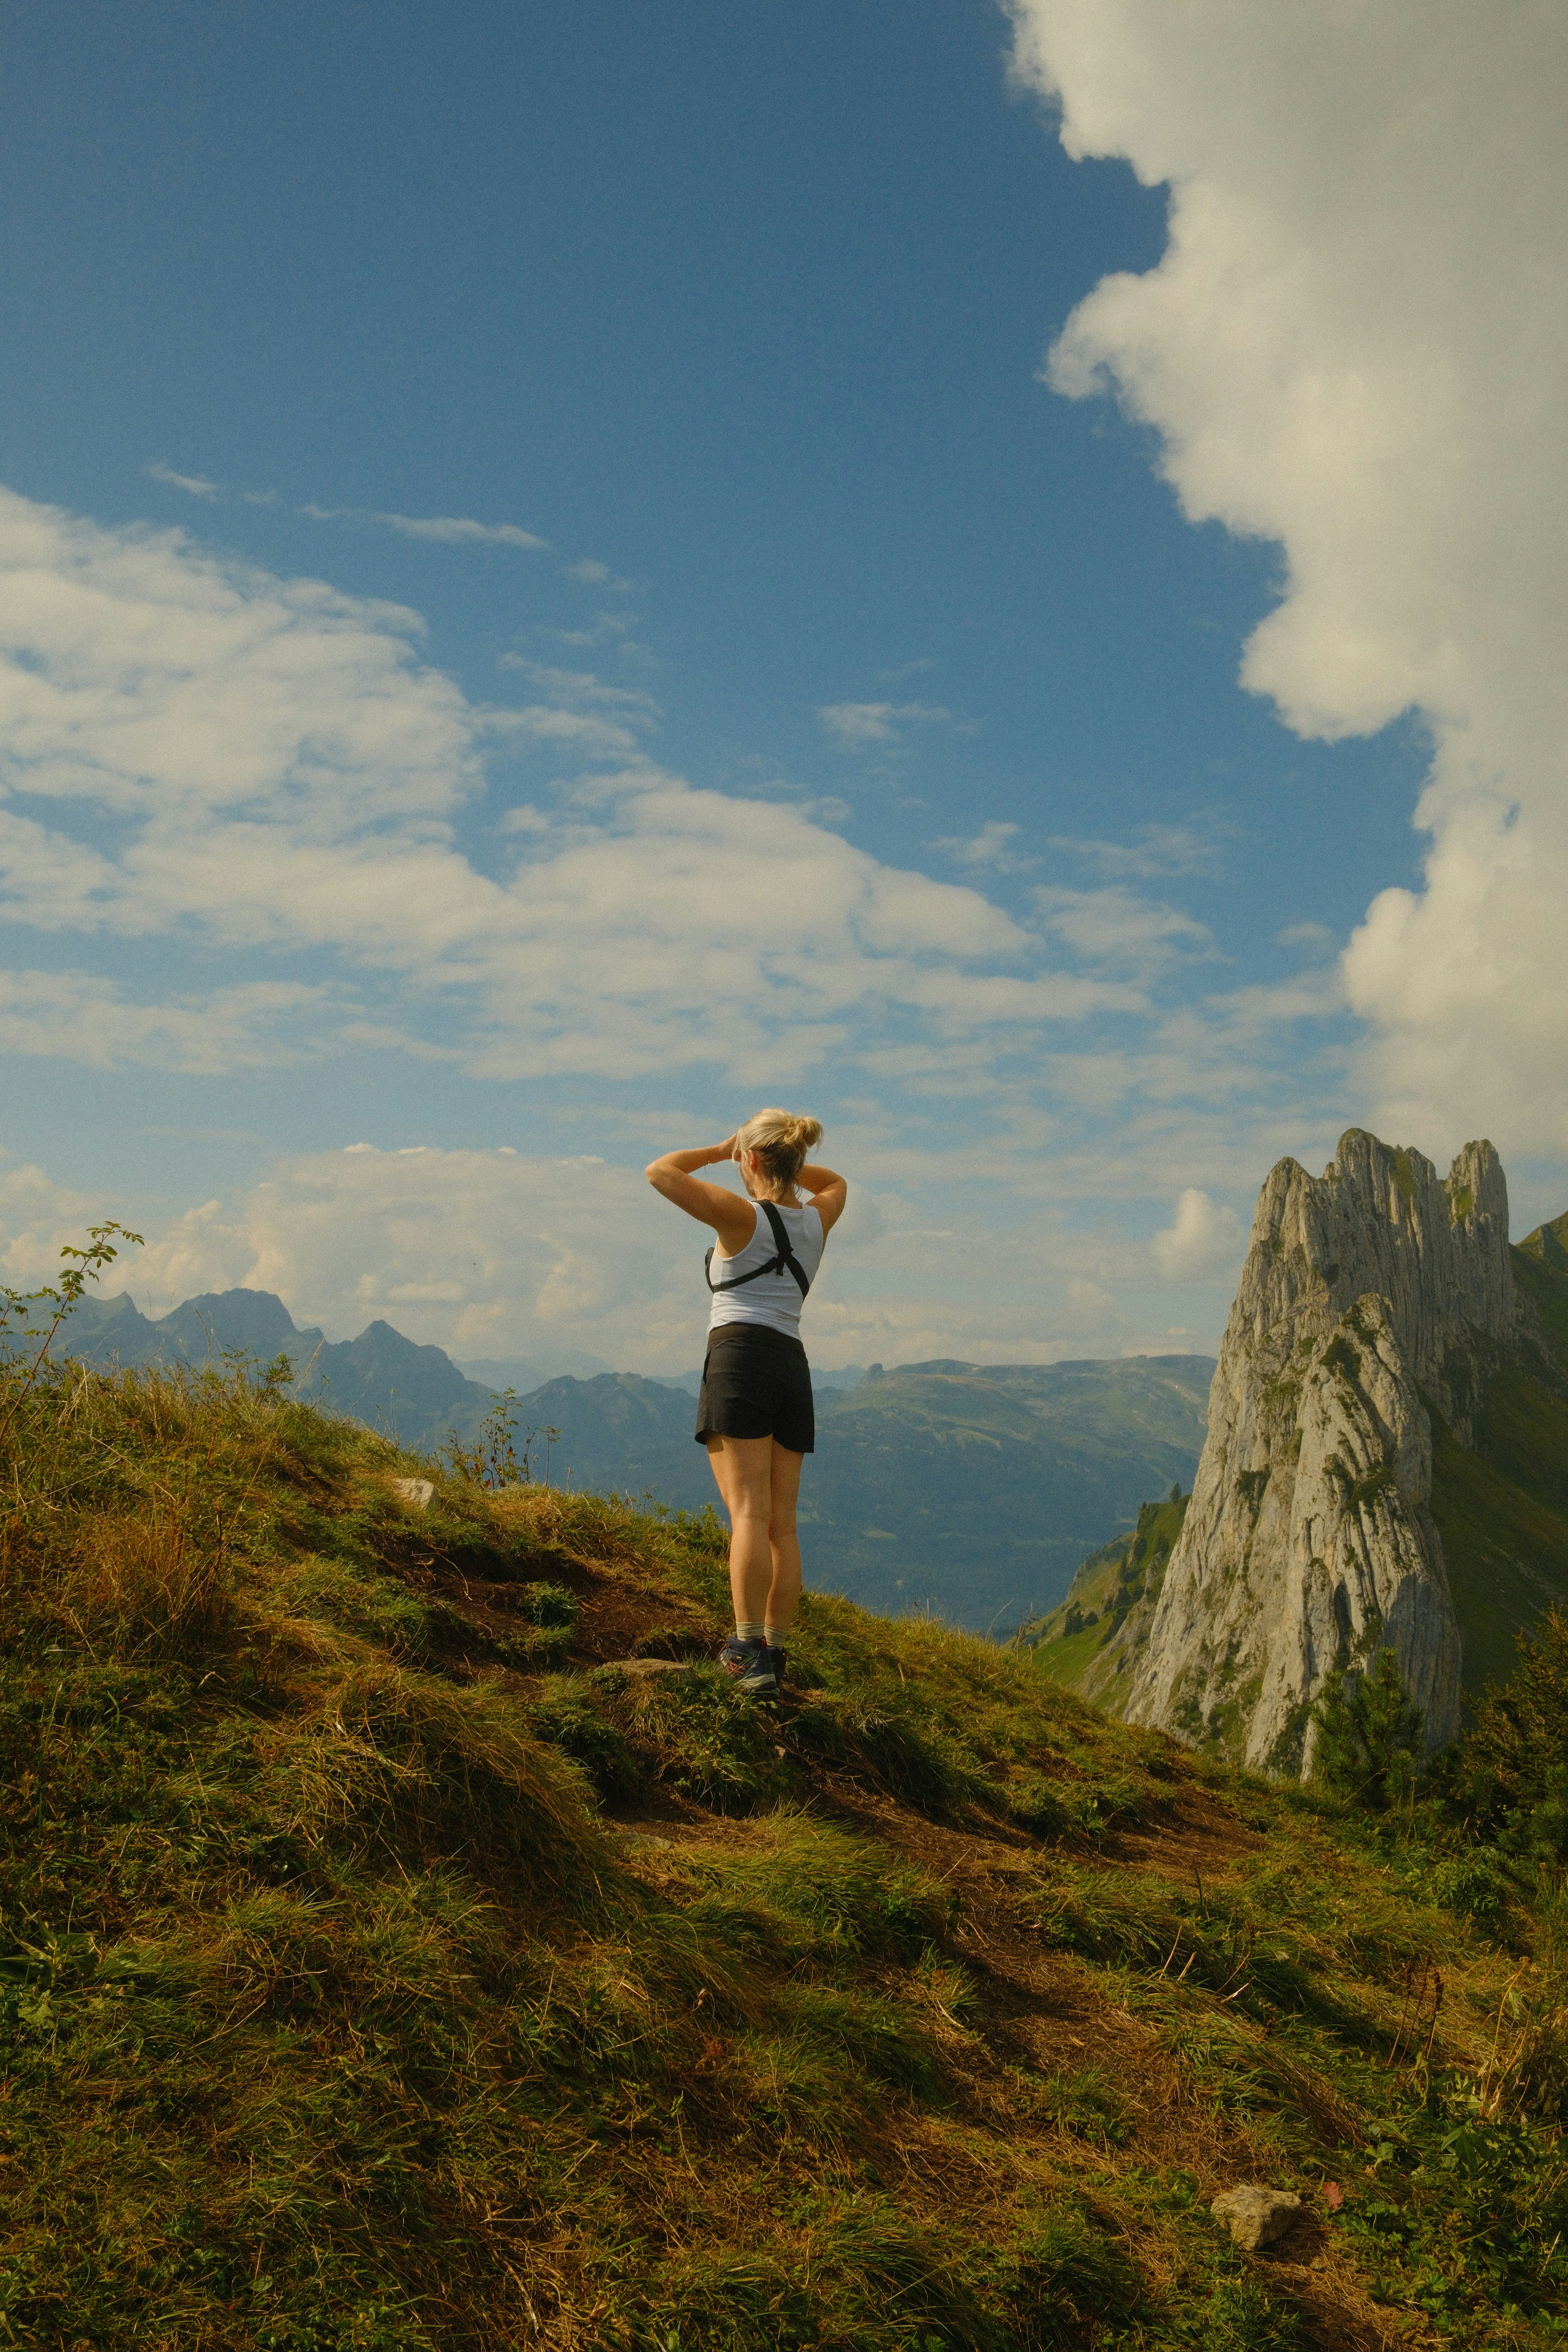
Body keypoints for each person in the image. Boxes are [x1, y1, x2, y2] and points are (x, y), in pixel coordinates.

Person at [645, 1110, 847, 1698]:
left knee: (749, 1516)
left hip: (739, 1358)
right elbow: (837, 1185)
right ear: (795, 1162)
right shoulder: (816, 1220)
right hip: (792, 1364)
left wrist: (716, 1150)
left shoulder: (742, 1217)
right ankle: (775, 1651)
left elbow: (659, 1172)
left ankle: (744, 1648)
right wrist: (791, 1165)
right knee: (783, 1524)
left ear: (751, 1160)